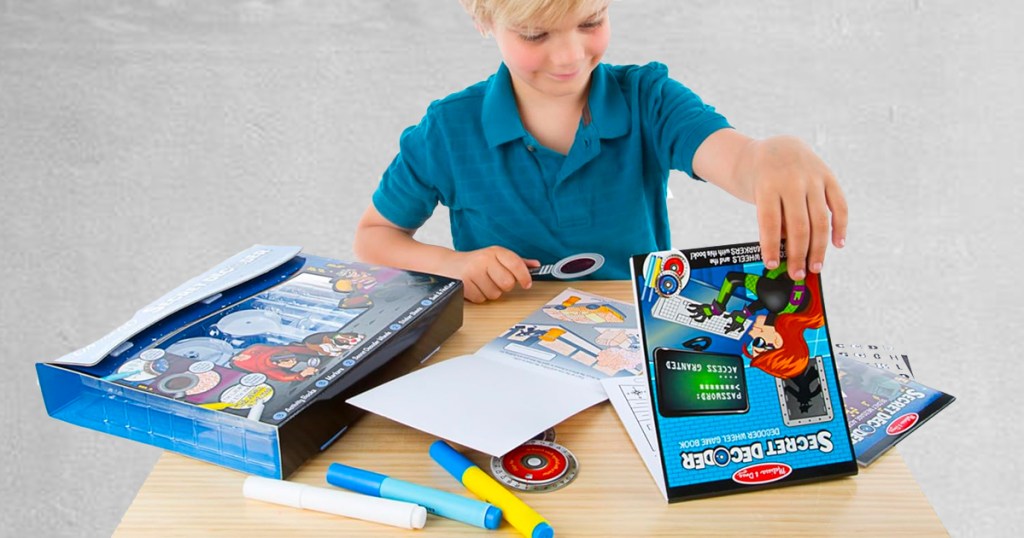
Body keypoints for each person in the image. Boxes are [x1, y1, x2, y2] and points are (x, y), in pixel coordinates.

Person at [354, 0, 848, 303]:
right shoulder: (448, 129)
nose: (570, 56)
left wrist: (772, 155)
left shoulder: (648, 98)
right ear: (485, 18)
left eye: (590, 21)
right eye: (535, 34)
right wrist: (453, 264)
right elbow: (376, 236)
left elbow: (736, 160)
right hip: (497, 347)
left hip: (633, 342)